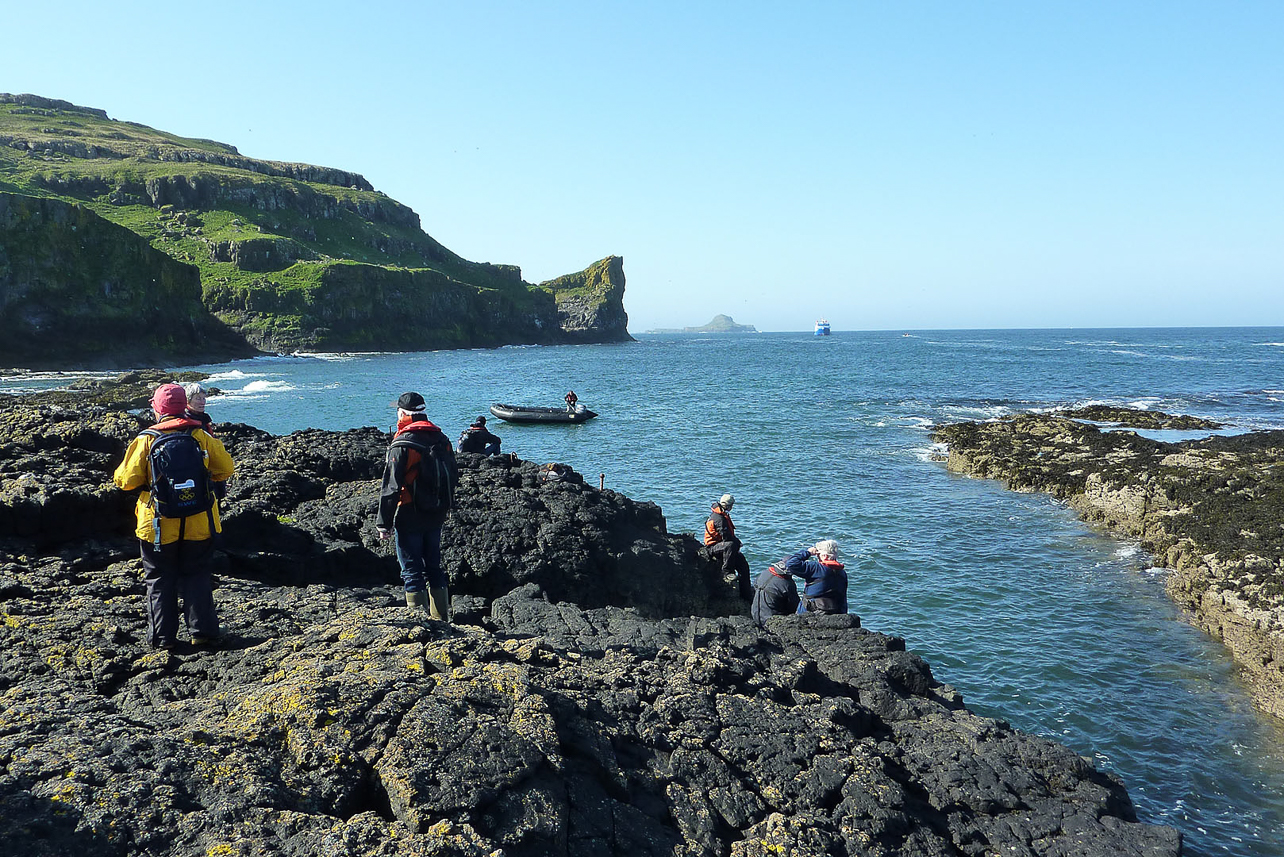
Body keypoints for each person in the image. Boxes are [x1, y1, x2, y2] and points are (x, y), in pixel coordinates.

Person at [112, 383, 234, 650]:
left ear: (157, 407)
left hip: (157, 525)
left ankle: (163, 638)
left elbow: (124, 481)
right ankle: (203, 632)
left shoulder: (146, 439)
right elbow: (225, 468)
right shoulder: (200, 435)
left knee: (159, 578)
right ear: (183, 405)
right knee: (198, 574)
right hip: (199, 520)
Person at [377, 392, 458, 621]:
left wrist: (384, 523)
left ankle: (421, 626)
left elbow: (391, 488)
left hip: (410, 514)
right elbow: (453, 474)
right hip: (437, 513)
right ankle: (442, 621)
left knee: (412, 571)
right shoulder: (441, 438)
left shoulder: (402, 444)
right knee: (434, 567)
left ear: (402, 414)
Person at [704, 492, 752, 600]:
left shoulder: (722, 515)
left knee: (744, 566)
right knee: (730, 545)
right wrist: (737, 543)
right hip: (712, 547)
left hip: (722, 545)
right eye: (731, 506)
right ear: (727, 505)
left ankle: (746, 596)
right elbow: (726, 537)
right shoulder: (718, 519)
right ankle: (727, 572)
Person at [785, 539, 848, 614]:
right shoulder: (842, 573)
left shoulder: (816, 568)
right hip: (834, 611)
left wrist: (808, 553)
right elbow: (843, 599)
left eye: (818, 555)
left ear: (824, 556)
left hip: (810, 612)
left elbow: (791, 564)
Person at [751, 560, 799, 626]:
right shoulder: (787, 584)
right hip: (771, 620)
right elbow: (795, 606)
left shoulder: (764, 573)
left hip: (754, 614)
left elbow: (754, 587)